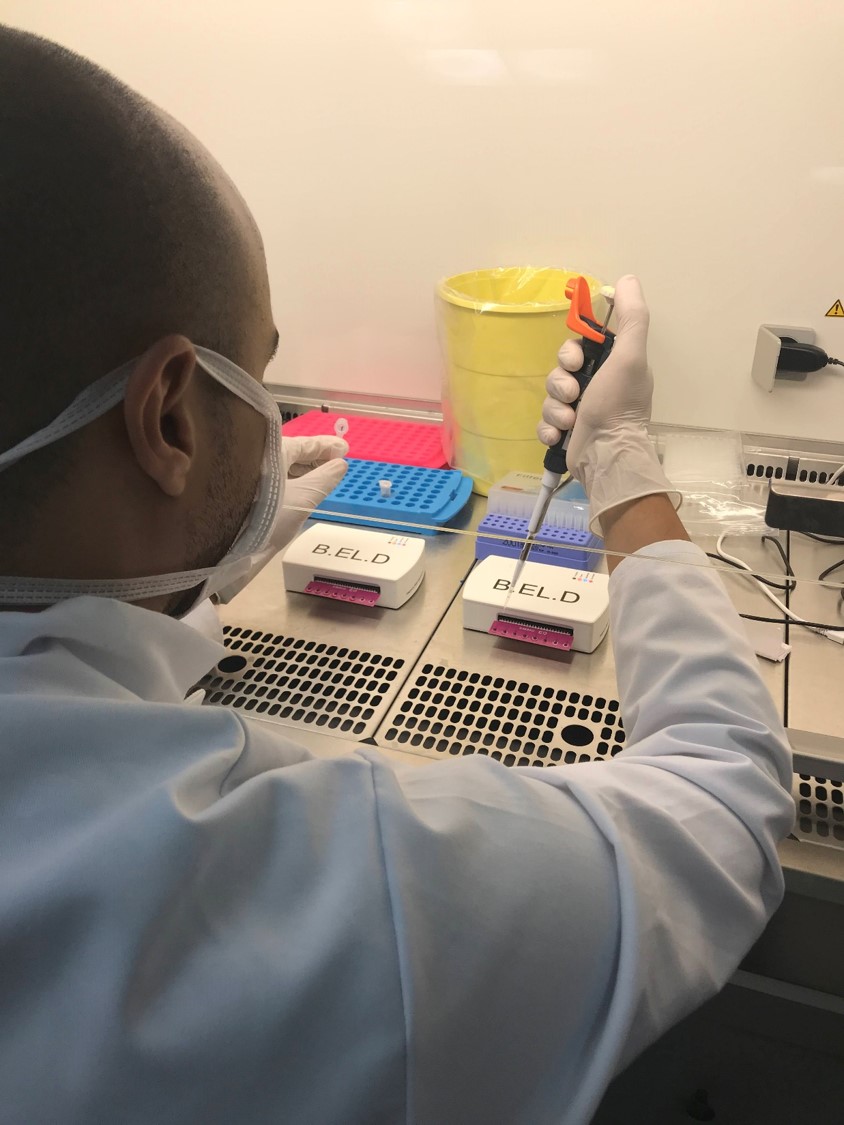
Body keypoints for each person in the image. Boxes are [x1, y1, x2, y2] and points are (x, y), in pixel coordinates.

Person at [0, 26, 793, 1125]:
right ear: (169, 418)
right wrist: (621, 462)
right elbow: (725, 794)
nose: (274, 417)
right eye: (260, 378)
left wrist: (192, 577)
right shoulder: (315, 895)